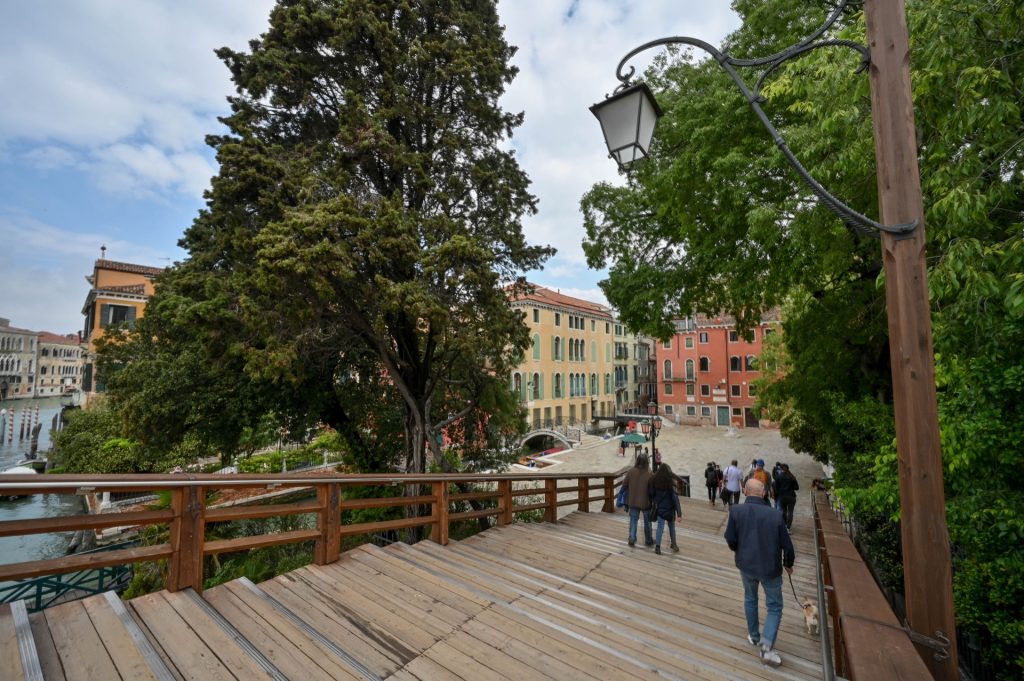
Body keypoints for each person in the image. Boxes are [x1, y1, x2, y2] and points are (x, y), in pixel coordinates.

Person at [724, 478, 796, 667]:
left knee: (750, 599)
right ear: (764, 493)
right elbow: (787, 546)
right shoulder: (775, 515)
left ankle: (754, 636)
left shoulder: (736, 510)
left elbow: (730, 538)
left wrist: (738, 550)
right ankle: (766, 646)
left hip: (746, 565)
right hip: (770, 568)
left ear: (745, 491)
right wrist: (788, 563)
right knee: (774, 606)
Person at [648, 463, 681, 554]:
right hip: (670, 511)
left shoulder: (655, 481)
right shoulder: (671, 484)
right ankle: (673, 544)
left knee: (660, 527)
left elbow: (651, 494)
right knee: (671, 527)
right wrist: (679, 514)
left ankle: (658, 546)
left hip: (660, 510)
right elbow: (675, 500)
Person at [623, 453, 654, 548]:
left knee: (633, 520)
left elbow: (624, 484)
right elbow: (653, 488)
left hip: (633, 500)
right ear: (646, 463)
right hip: (646, 501)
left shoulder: (631, 471)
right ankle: (648, 540)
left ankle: (632, 538)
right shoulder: (649, 473)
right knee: (647, 522)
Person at [774, 463, 800, 529]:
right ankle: (788, 527)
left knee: (784, 511)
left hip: (782, 496)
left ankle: (785, 524)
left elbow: (776, 489)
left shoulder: (778, 477)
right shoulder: (792, 477)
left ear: (781, 469)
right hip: (791, 496)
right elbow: (797, 488)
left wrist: (776, 496)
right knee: (790, 512)